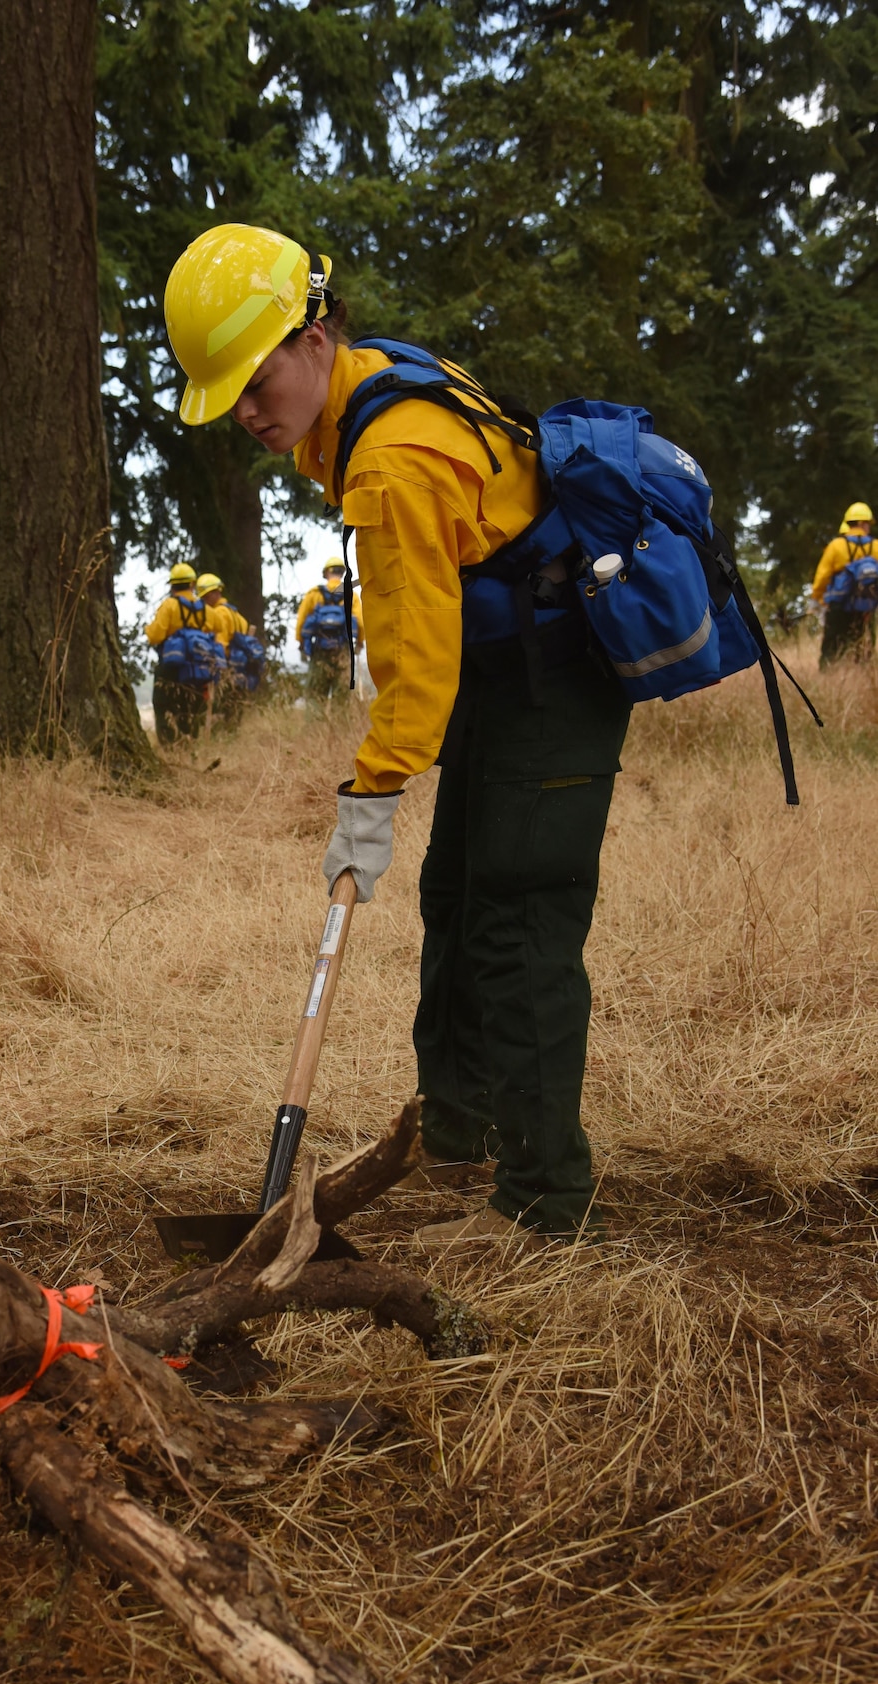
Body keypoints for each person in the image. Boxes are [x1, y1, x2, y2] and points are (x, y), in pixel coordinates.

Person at [164, 223, 632, 1252]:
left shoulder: (391, 461)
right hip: (507, 673)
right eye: (228, 398)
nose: (248, 413)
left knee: (517, 922)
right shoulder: (367, 390)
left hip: (553, 681)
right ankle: (455, 1131)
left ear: (315, 333)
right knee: (458, 895)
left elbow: (416, 659)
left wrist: (369, 794)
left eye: (255, 380)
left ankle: (546, 1199)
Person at [145, 563, 220, 743]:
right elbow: (218, 626)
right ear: (192, 584)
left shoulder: (169, 606)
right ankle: (190, 744)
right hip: (196, 669)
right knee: (191, 708)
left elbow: (154, 636)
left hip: (171, 667)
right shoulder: (205, 609)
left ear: (172, 586)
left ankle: (169, 747)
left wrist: (149, 629)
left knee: (164, 707)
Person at [812, 504, 877, 668]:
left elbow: (822, 575)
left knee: (832, 642)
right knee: (863, 644)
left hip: (839, 605)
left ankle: (827, 672)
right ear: (863, 523)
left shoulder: (836, 545)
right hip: (866, 606)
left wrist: (819, 597)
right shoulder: (876, 546)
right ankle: (861, 674)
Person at [198, 573, 264, 723]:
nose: (204, 602)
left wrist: (216, 670)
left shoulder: (218, 613)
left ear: (215, 593)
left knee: (221, 709)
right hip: (241, 668)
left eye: (205, 597)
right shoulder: (236, 614)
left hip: (228, 668)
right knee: (235, 711)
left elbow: (220, 644)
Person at [296, 559, 365, 700]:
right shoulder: (351, 594)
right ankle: (338, 721)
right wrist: (359, 643)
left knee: (315, 695)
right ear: (342, 573)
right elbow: (360, 622)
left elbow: (301, 621)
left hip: (319, 650)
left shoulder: (314, 593)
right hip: (343, 650)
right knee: (342, 697)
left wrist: (302, 644)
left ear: (326, 572)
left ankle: (315, 722)